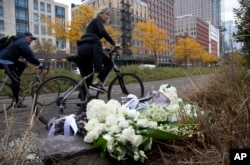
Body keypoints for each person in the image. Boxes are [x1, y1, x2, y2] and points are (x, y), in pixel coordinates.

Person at [77, 6, 120, 93]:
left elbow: (92, 37)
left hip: (83, 48)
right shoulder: (98, 19)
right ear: (101, 13)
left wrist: (102, 47)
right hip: (90, 47)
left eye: (109, 15)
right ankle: (97, 83)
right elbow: (102, 32)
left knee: (88, 76)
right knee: (109, 63)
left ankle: (83, 101)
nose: (108, 17)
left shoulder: (93, 23)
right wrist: (114, 43)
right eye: (107, 14)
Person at [0, 32, 43, 108]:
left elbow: (28, 57)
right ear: (26, 37)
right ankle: (16, 102)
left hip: (8, 60)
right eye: (31, 38)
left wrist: (37, 64)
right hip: (4, 61)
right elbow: (30, 54)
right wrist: (39, 63)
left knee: (22, 64)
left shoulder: (18, 42)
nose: (31, 41)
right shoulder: (22, 42)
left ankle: (15, 78)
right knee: (16, 81)